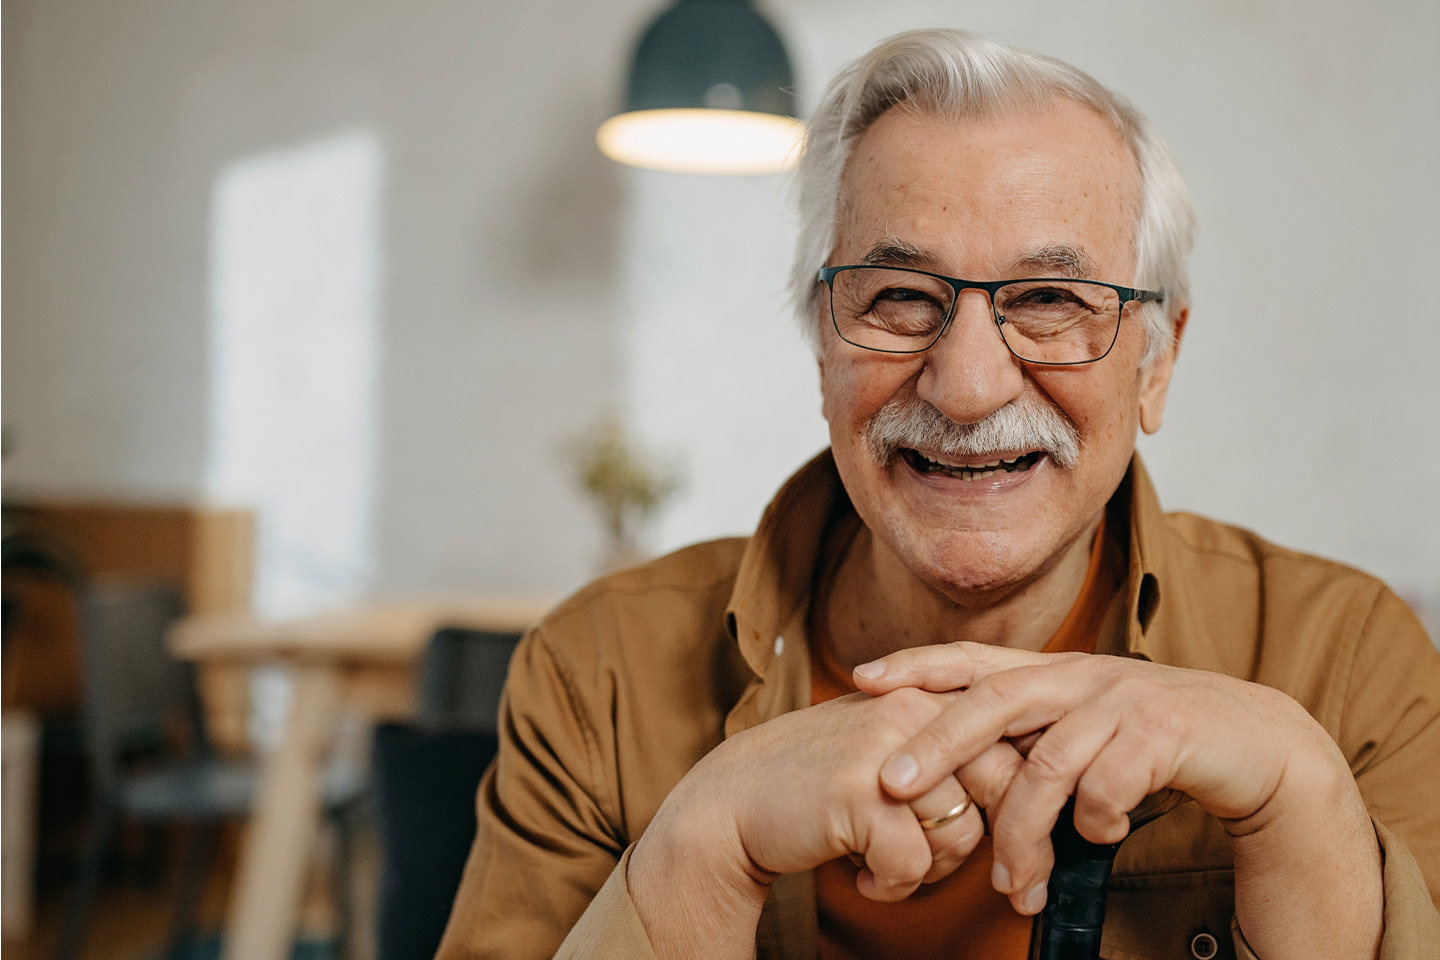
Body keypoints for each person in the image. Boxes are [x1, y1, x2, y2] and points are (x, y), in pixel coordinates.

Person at [437, 28, 1440, 960]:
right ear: (823, 343)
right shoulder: (595, 675)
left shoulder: (1349, 665)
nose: (966, 387)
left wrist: (1305, 811)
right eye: (901, 297)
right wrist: (703, 848)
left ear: (1159, 362)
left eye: (1049, 301)